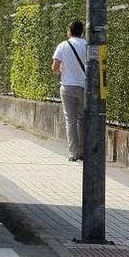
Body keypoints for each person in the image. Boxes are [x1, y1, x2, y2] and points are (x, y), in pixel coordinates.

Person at [51, 20, 87, 162]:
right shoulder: (87, 45)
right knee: (82, 119)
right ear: (82, 31)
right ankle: (83, 151)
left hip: (67, 87)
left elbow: (54, 68)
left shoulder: (63, 45)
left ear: (69, 31)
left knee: (70, 120)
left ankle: (73, 153)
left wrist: (61, 69)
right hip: (84, 86)